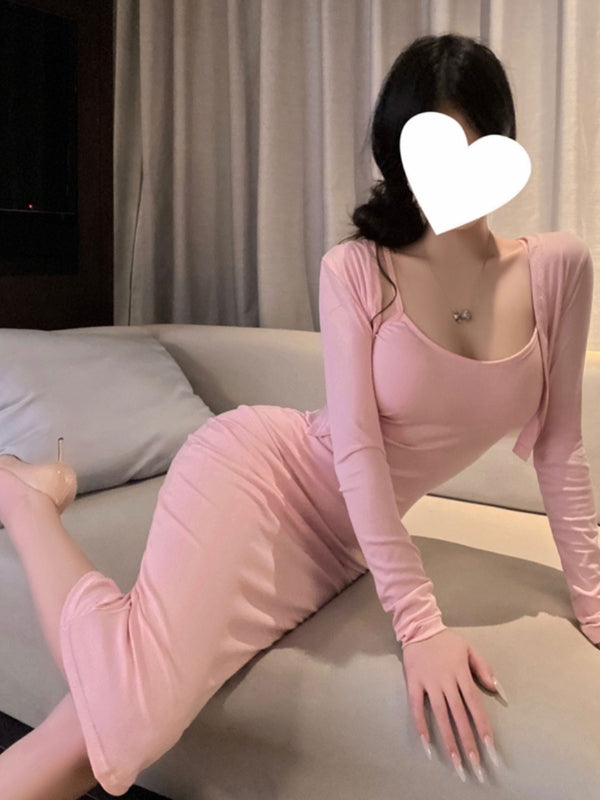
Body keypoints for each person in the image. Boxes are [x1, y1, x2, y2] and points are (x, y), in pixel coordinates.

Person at [0, 31, 597, 798]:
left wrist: (594, 606)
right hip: (262, 476)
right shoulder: (358, 269)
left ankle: (26, 498)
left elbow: (559, 449)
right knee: (130, 724)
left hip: (342, 545)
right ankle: (25, 504)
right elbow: (359, 452)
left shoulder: (558, 269)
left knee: (99, 726)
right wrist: (421, 628)